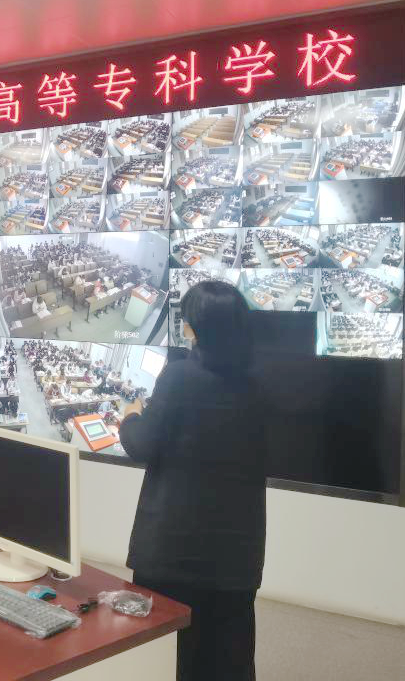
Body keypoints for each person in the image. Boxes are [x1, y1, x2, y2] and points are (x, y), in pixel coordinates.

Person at [119, 281, 266, 681]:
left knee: (166, 654)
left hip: (175, 548)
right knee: (227, 654)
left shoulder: (179, 376)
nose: (183, 326)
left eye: (186, 319)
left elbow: (143, 444)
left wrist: (131, 416)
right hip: (237, 551)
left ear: (198, 327)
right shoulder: (257, 382)